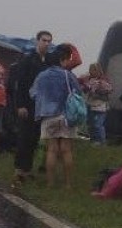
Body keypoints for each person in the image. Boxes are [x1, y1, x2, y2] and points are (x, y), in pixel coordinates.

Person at [29, 44, 83, 189]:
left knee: (52, 149)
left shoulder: (42, 75)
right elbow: (78, 92)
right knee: (66, 149)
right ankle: (68, 184)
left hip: (48, 115)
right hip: (66, 116)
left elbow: (33, 93)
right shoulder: (68, 75)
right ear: (62, 60)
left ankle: (50, 183)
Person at [9, 30, 53, 187]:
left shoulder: (48, 62)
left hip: (41, 107)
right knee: (24, 138)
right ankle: (19, 170)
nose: (46, 43)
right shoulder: (28, 60)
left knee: (34, 139)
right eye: (44, 40)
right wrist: (20, 105)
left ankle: (27, 169)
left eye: (49, 41)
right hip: (27, 105)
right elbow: (20, 84)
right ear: (37, 41)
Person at [79, 62, 113, 146]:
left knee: (98, 124)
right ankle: (94, 140)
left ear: (97, 70)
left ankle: (102, 141)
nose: (90, 72)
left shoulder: (103, 80)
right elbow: (85, 89)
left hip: (100, 105)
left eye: (92, 70)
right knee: (90, 123)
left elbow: (110, 90)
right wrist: (84, 85)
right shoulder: (89, 79)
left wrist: (98, 90)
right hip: (90, 104)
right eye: (90, 70)